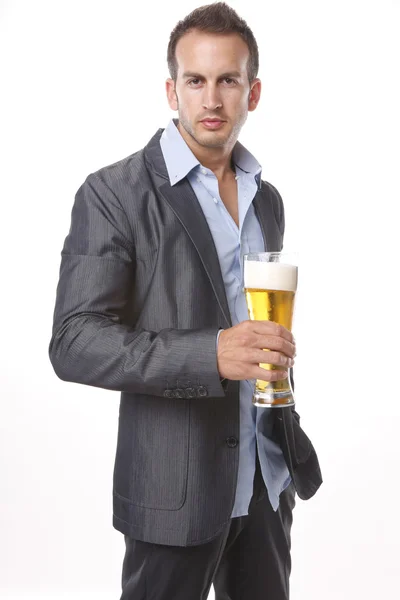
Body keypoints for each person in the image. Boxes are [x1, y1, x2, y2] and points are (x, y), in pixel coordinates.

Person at [49, 2, 322, 598]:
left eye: (228, 80)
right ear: (171, 90)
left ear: (254, 92)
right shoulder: (112, 194)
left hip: (265, 479)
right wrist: (209, 354)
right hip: (176, 490)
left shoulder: (266, 197)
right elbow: (72, 342)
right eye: (195, 81)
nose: (212, 100)